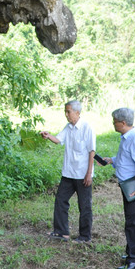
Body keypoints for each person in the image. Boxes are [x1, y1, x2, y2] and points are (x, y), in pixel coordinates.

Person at [40, 100, 96, 243]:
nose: (66, 115)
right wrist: (48, 136)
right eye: (65, 111)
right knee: (60, 200)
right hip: (68, 173)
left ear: (77, 112)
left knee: (84, 206)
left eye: (68, 112)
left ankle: (85, 236)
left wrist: (89, 173)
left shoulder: (87, 128)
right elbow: (59, 139)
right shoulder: (68, 127)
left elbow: (92, 152)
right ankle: (61, 232)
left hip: (82, 174)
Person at [103, 107, 135, 269]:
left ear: (123, 123)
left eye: (114, 122)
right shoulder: (127, 138)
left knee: (132, 223)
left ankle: (134, 259)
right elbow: (126, 158)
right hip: (128, 185)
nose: (113, 124)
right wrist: (112, 160)